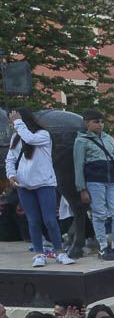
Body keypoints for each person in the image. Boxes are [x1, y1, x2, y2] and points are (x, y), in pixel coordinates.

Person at [6, 108, 74, 266]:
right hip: (24, 185)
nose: (12, 124)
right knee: (33, 221)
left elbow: (29, 139)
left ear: (24, 120)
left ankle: (60, 252)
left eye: (13, 120)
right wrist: (11, 175)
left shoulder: (43, 135)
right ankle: (39, 254)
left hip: (44, 184)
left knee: (49, 220)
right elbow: (10, 159)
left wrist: (18, 122)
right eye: (11, 121)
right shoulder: (16, 138)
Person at [72, 109, 114, 261]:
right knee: (99, 214)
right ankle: (103, 247)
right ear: (87, 123)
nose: (100, 124)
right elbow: (78, 165)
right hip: (94, 181)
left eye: (102, 121)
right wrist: (82, 188)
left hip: (113, 181)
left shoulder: (109, 138)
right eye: (96, 121)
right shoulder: (81, 140)